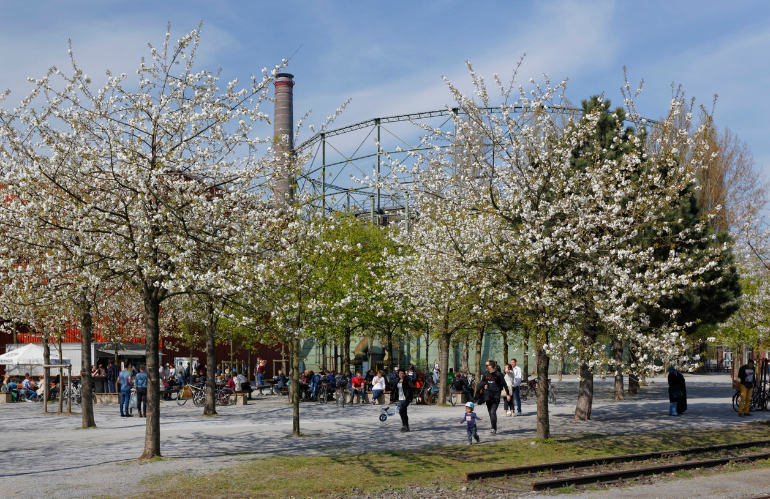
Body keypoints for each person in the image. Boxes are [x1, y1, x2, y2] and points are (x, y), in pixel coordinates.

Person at [475, 360, 510, 435]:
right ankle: (493, 426)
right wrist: (484, 385)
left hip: (496, 395)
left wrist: (508, 394)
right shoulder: (485, 374)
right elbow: (482, 382)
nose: (485, 367)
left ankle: (494, 429)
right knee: (490, 413)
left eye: (487, 365)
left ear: (491, 366)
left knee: (493, 412)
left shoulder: (498, 374)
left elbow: (504, 384)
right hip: (488, 395)